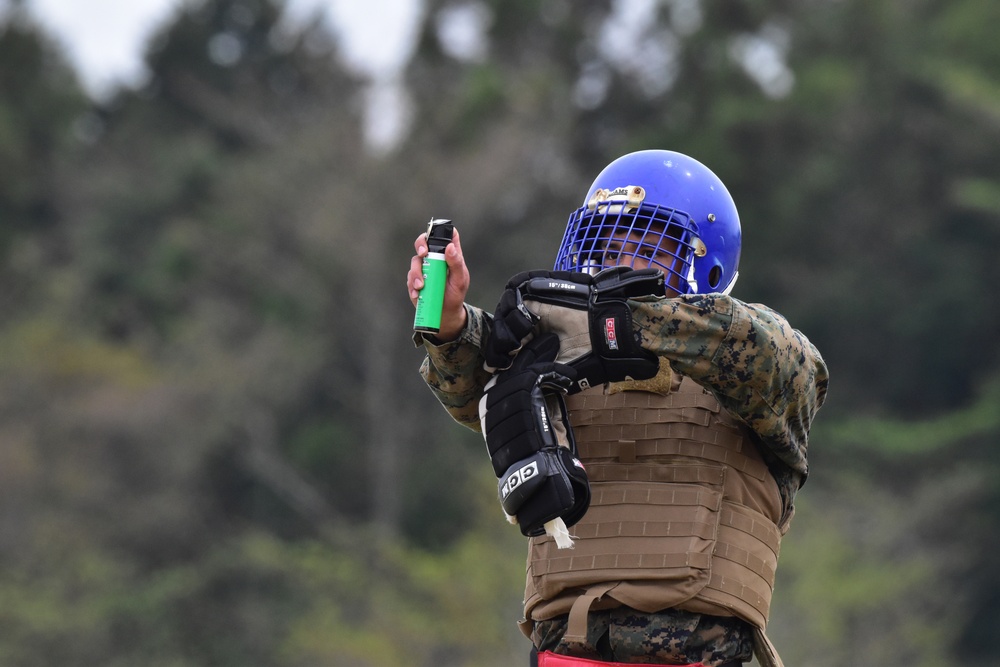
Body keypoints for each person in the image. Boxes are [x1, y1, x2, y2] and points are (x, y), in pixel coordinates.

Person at [407, 150, 829, 667]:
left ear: (704, 260)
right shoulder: (560, 360)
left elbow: (770, 355)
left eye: (647, 247)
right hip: (567, 653)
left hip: (701, 656)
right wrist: (451, 323)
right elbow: (482, 386)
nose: (619, 265)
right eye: (607, 246)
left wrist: (621, 323)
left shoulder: (762, 366)